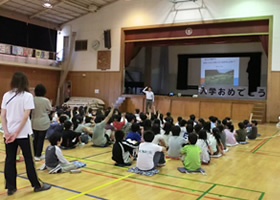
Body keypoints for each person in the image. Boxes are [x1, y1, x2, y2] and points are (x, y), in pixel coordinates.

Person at [1, 72, 51, 195]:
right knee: (29, 160)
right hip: (23, 134)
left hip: (9, 134)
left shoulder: (6, 95)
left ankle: (11, 187)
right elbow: (25, 117)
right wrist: (16, 132)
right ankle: (36, 185)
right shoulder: (27, 96)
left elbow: (3, 115)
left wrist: (7, 132)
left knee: (10, 160)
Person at [31, 84, 52, 161]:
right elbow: (49, 108)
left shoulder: (32, 99)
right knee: (41, 139)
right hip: (43, 121)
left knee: (35, 138)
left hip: (34, 121)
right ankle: (38, 155)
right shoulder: (45, 100)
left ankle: (33, 154)